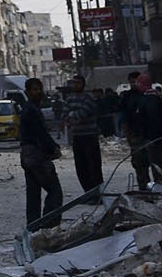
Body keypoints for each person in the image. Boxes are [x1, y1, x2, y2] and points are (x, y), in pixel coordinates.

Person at [18, 77, 63, 232]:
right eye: (34, 89)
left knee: (33, 193)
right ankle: (50, 228)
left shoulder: (29, 108)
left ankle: (34, 228)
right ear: (28, 92)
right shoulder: (31, 110)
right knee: (55, 191)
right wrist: (53, 149)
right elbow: (41, 134)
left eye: (39, 89)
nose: (38, 92)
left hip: (27, 155)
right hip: (35, 155)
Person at [119, 73, 162, 189]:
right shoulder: (129, 97)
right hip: (137, 136)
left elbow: (158, 119)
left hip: (153, 138)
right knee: (140, 165)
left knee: (158, 165)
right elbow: (125, 118)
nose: (134, 84)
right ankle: (145, 190)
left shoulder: (153, 97)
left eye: (136, 82)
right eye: (132, 82)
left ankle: (161, 189)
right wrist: (129, 137)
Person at [60, 76, 102, 200]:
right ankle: (88, 193)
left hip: (90, 136)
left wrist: (72, 115)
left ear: (83, 84)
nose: (76, 85)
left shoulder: (88, 98)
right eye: (74, 83)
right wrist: (73, 117)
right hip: (77, 137)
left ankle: (97, 194)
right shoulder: (69, 99)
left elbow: (83, 114)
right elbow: (65, 116)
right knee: (81, 167)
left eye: (78, 83)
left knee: (93, 166)